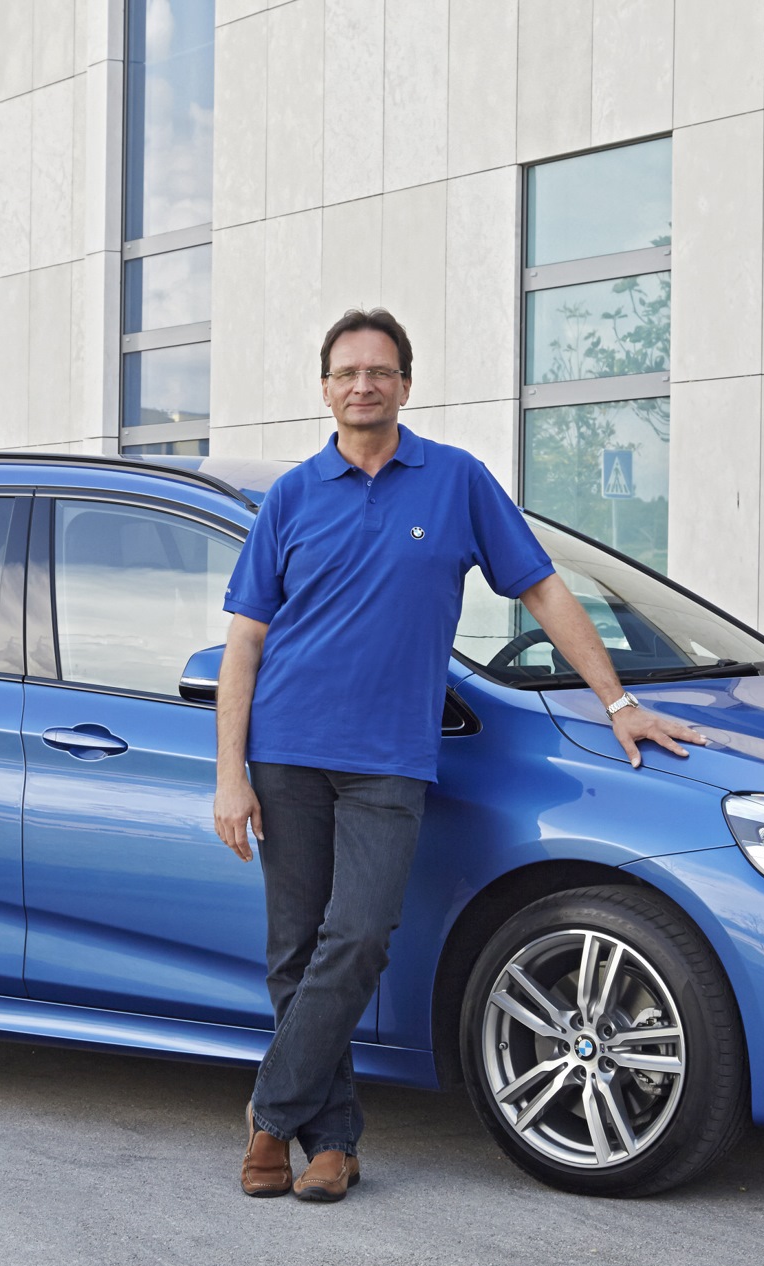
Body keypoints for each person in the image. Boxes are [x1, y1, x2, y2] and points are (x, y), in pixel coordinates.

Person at [214, 308, 707, 1202]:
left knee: (359, 939)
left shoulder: (456, 481)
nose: (363, 385)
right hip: (286, 753)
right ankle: (331, 1144)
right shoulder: (292, 495)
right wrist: (230, 775)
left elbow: (544, 591)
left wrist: (620, 701)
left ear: (406, 383)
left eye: (380, 370)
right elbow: (245, 641)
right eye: (347, 372)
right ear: (325, 388)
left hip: (389, 760)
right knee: (296, 951)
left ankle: (270, 1112)